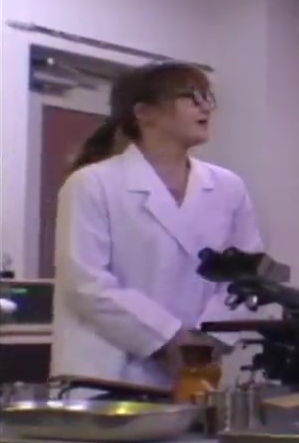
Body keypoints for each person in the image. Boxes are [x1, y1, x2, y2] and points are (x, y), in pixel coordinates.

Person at [51, 61, 264, 392]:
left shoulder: (228, 187)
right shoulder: (92, 183)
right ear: (144, 112)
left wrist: (207, 340)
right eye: (191, 96)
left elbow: (246, 275)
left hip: (196, 372)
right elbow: (86, 284)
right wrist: (170, 339)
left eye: (207, 97)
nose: (205, 106)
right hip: (106, 373)